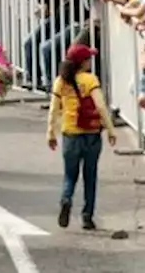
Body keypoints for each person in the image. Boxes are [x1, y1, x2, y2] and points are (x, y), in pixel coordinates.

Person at [47, 43, 117, 230]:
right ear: (83, 62)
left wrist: (51, 133)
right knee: (90, 175)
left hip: (70, 133)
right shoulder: (90, 79)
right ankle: (87, 216)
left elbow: (54, 109)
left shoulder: (60, 81)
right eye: (88, 59)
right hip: (92, 134)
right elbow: (101, 106)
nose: (90, 62)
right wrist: (110, 129)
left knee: (70, 175)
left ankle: (66, 198)